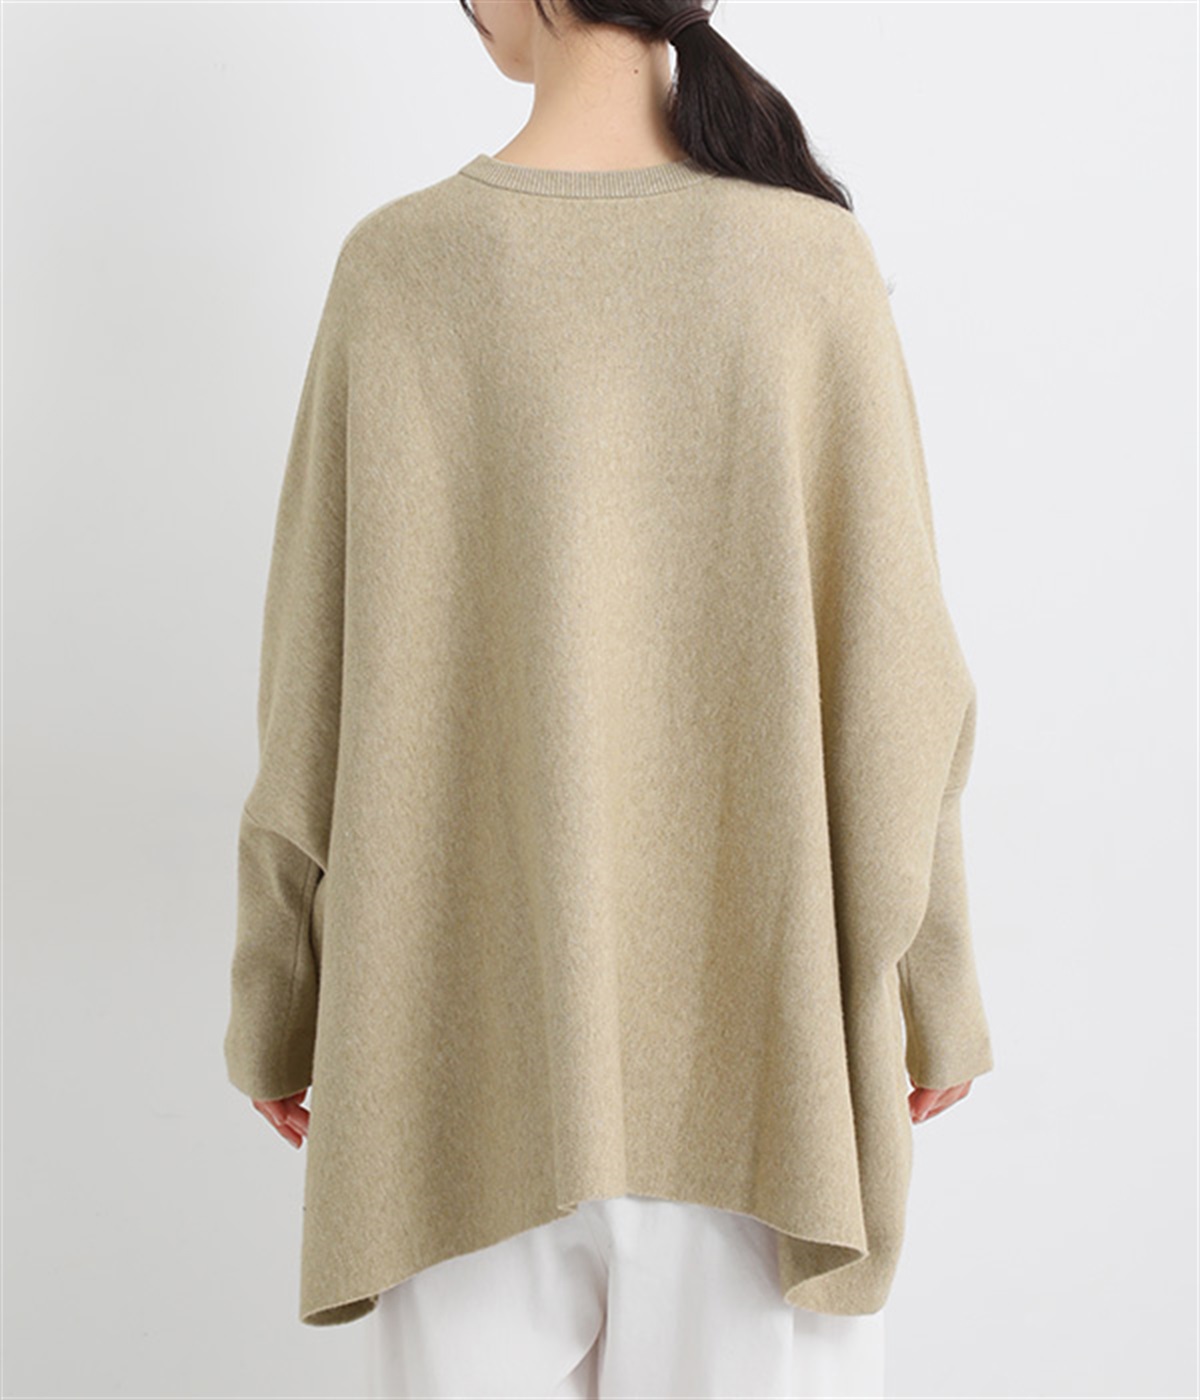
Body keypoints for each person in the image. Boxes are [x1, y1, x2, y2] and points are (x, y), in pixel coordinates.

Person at [224, 2, 996, 1396]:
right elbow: (899, 686)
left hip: (450, 1084)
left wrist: (278, 994)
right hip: (759, 1086)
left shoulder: (401, 268)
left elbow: (308, 685)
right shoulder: (806, 260)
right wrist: (933, 987)